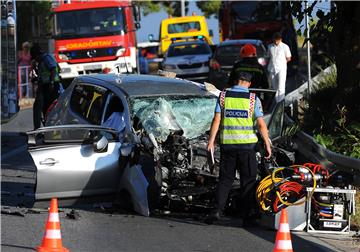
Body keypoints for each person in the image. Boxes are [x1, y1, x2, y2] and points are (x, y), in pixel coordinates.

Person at [207, 71, 271, 222]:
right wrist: (267, 144)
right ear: (248, 83)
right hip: (247, 147)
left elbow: (216, 120)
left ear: (236, 81)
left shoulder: (223, 96)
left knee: (225, 180)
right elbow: (261, 125)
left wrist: (211, 141)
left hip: (228, 146)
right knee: (248, 181)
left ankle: (217, 211)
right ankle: (246, 215)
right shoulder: (252, 99)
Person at [30, 43, 61, 129]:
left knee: (45, 107)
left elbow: (53, 70)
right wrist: (36, 78)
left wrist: (51, 83)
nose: (35, 59)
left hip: (50, 86)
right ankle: (44, 128)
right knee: (43, 108)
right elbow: (44, 74)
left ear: (37, 54)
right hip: (45, 86)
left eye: (35, 57)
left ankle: (43, 128)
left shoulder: (47, 58)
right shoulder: (41, 61)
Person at [267, 32, 292, 102]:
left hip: (281, 69)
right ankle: (276, 102)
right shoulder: (270, 46)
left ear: (280, 39)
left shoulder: (285, 46)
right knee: (274, 87)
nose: (276, 41)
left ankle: (281, 103)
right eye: (275, 40)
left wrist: (283, 63)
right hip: (272, 68)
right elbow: (268, 56)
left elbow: (289, 58)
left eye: (277, 40)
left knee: (281, 87)